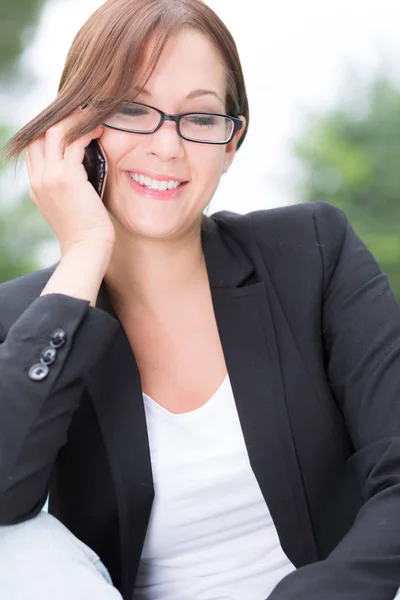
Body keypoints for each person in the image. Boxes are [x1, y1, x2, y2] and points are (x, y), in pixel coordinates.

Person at [1, 0, 400, 598]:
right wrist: (84, 250)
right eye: (132, 110)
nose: (167, 146)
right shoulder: (33, 319)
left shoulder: (312, 252)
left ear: (229, 142)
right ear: (77, 131)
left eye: (200, 117)